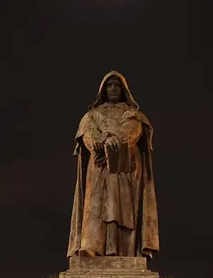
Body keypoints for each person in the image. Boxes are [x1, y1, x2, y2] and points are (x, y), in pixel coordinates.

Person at [67, 71, 159, 258]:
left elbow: (133, 131)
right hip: (99, 165)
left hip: (125, 166)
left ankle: (124, 250)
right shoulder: (92, 115)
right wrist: (100, 142)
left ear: (124, 89)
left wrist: (112, 138)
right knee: (96, 205)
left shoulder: (133, 114)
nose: (113, 89)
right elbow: (88, 133)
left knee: (123, 207)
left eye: (117, 85)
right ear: (103, 90)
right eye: (109, 85)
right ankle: (92, 246)